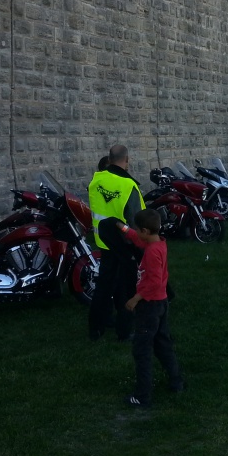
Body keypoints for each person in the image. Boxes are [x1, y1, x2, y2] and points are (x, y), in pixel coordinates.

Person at [123, 209, 184, 408]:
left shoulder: (151, 253)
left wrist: (135, 298)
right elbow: (138, 239)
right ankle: (176, 381)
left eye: (137, 230)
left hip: (149, 306)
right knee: (163, 343)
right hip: (161, 304)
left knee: (142, 350)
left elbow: (155, 282)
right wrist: (123, 228)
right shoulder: (158, 243)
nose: (136, 232)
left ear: (145, 230)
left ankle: (142, 396)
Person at [88, 144, 146, 341]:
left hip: (104, 242)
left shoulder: (97, 180)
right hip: (124, 245)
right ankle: (124, 331)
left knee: (103, 286)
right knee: (127, 289)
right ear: (126, 160)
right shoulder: (128, 185)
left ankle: (96, 328)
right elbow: (137, 219)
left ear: (109, 159)